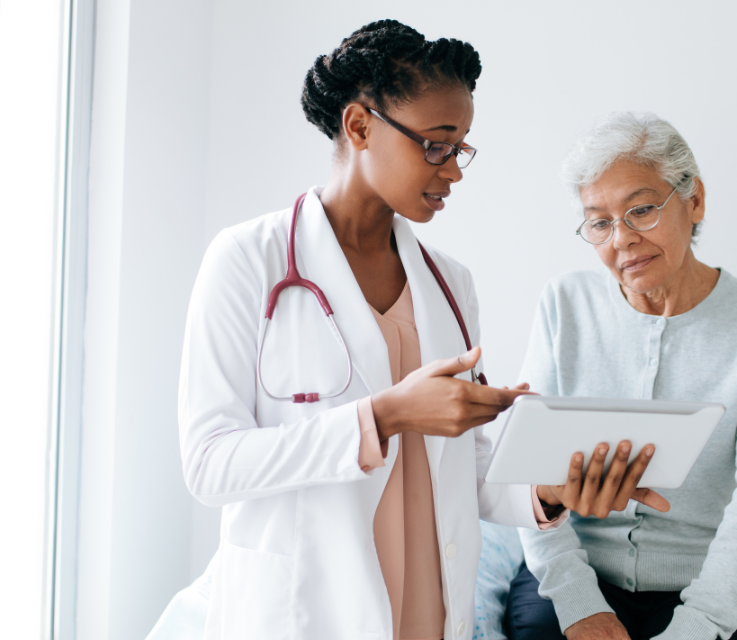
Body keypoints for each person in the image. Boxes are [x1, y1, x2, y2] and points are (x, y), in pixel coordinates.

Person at [175, 22, 666, 640]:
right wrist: (383, 417)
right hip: (304, 612)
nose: (454, 170)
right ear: (359, 126)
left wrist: (550, 488)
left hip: (428, 614)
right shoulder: (249, 259)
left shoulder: (450, 284)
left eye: (461, 148)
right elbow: (210, 464)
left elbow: (467, 469)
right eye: (436, 145)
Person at [506, 112, 737, 640]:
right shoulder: (564, 303)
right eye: (599, 222)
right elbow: (528, 474)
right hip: (575, 574)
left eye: (641, 210)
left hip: (710, 586)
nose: (621, 239)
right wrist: (578, 603)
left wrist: (701, 621)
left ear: (695, 201)